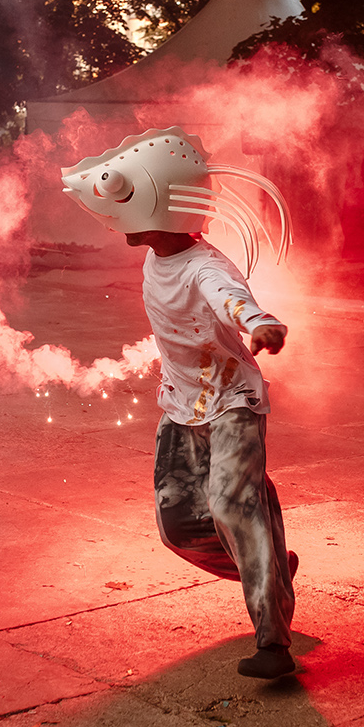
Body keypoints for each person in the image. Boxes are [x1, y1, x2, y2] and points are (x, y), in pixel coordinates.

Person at [62, 127, 299, 679]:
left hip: (233, 403)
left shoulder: (206, 266)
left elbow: (233, 299)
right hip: (180, 405)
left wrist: (260, 324)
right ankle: (268, 562)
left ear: (163, 207)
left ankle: (273, 642)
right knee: (177, 525)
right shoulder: (157, 255)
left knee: (231, 508)